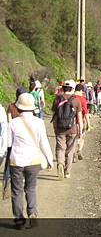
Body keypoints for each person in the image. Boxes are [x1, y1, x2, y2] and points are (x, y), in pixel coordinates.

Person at [7, 93, 53, 229]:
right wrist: (50, 159)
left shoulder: (13, 123)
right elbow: (43, 142)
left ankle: (19, 220)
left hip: (16, 161)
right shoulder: (39, 122)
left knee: (17, 191)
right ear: (33, 108)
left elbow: (8, 144)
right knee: (31, 188)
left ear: (19, 108)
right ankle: (32, 212)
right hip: (33, 161)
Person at [51, 80, 82, 180]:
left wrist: (55, 127)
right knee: (70, 151)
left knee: (60, 148)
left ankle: (60, 163)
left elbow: (54, 116)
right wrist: (80, 131)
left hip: (60, 128)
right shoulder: (76, 100)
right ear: (72, 89)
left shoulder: (57, 99)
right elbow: (79, 118)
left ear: (62, 88)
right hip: (72, 129)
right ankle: (67, 172)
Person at [73, 84, 89, 161]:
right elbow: (85, 113)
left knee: (73, 139)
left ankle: (72, 154)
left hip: (71, 122)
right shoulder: (82, 99)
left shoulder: (71, 97)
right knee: (81, 137)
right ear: (81, 91)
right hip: (80, 122)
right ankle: (79, 150)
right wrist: (88, 124)